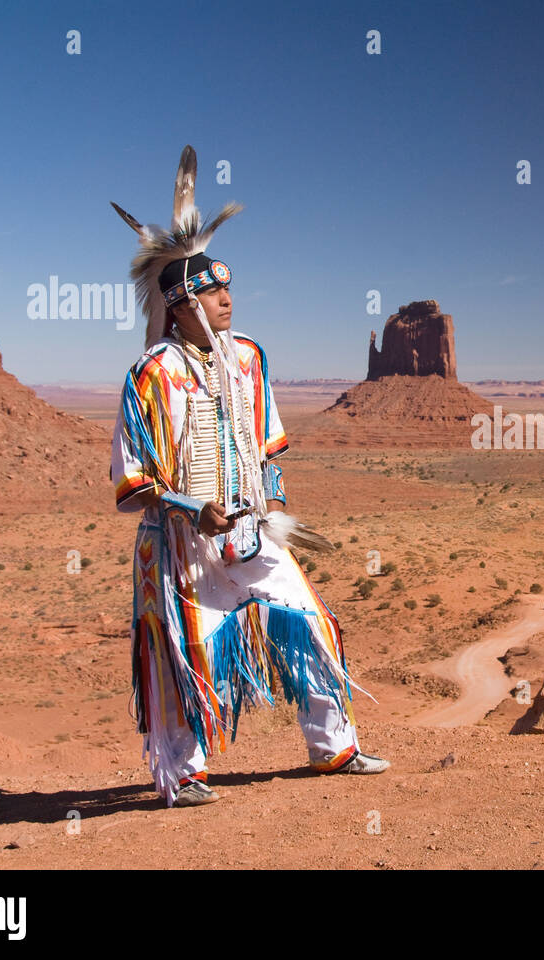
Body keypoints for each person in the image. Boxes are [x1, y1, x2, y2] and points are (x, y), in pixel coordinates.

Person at [109, 145, 388, 808]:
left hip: (252, 528)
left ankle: (335, 745)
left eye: (229, 289)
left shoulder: (250, 359)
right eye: (213, 292)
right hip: (183, 545)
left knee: (312, 621)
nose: (228, 301)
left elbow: (266, 446)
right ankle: (184, 772)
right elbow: (130, 481)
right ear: (180, 307)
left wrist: (275, 510)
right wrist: (186, 507)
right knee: (188, 648)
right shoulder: (150, 375)